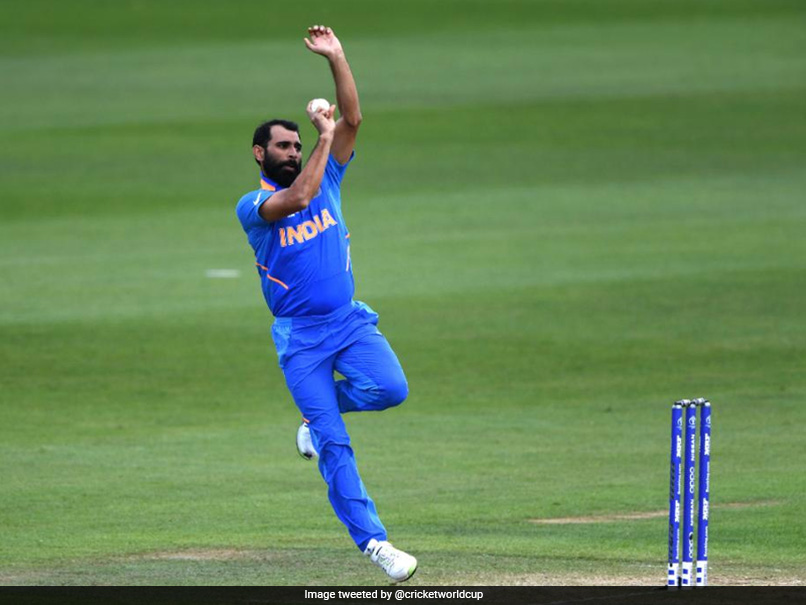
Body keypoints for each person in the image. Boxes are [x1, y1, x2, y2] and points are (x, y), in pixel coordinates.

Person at [235, 25, 417, 583]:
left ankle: (316, 421)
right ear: (260, 153)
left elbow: (353, 120)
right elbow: (299, 197)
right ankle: (376, 543)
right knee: (336, 446)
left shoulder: (330, 174)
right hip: (302, 340)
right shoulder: (254, 205)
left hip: (349, 322)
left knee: (390, 389)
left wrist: (336, 57)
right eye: (283, 146)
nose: (292, 151)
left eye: (297, 145)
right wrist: (322, 135)